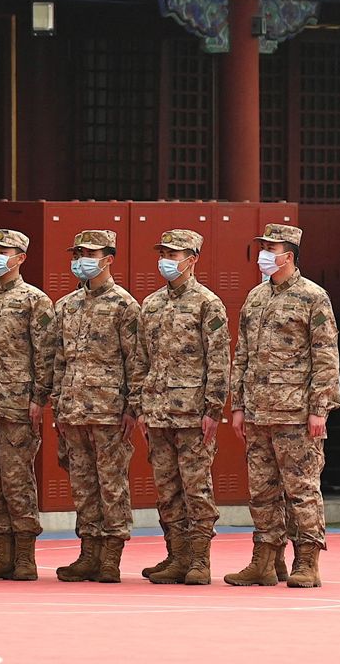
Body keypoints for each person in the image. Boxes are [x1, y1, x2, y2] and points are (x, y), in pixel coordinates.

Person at [225, 223, 340, 588]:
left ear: (287, 255)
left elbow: (325, 356)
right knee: (261, 490)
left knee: (302, 488)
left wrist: (319, 409)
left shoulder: (313, 297)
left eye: (269, 248)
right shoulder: (256, 297)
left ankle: (307, 560)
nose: (263, 254)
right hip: (259, 412)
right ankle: (265, 559)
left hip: (295, 414)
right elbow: (241, 353)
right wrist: (238, 406)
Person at [50, 230, 144, 584]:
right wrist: (57, 404)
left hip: (109, 412)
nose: (81, 259)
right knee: (83, 485)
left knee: (112, 484)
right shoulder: (66, 306)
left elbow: (136, 361)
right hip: (74, 411)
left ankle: (111, 556)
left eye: (89, 253)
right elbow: (59, 360)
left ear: (108, 258)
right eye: (77, 253)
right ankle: (88, 553)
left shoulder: (124, 306)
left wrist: (132, 408)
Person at [137, 229, 229, 585]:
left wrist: (213, 409)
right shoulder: (152, 304)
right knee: (167, 488)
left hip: (193, 413)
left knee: (196, 487)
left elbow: (219, 360)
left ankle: (199, 560)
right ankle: (176, 555)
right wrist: (143, 407)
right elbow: (143, 359)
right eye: (163, 253)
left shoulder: (208, 304)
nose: (166, 260)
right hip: (158, 412)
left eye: (173, 255)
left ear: (191, 260)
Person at [0, 229, 56, 581]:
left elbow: (45, 354)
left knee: (18, 481)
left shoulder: (35, 301)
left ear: (20, 257)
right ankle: (1, 552)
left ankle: (24, 557)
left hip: (17, 405)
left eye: (1, 250)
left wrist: (38, 398)